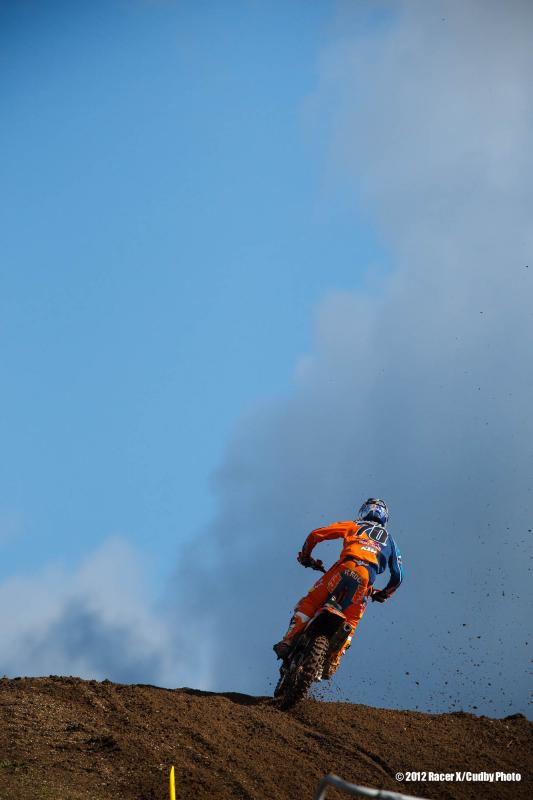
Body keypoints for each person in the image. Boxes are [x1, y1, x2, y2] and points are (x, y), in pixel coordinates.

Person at [273, 498, 403, 678]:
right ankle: (333, 660)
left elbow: (316, 534)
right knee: (351, 621)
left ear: (364, 511)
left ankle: (287, 642)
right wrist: (384, 593)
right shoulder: (390, 541)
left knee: (310, 602)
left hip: (344, 568)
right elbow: (398, 576)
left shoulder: (355, 525)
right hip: (365, 580)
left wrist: (305, 556)